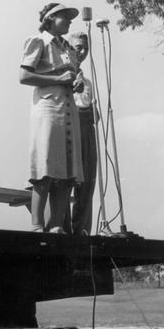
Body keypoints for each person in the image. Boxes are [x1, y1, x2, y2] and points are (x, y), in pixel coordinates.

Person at [20, 3, 84, 233]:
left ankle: (56, 224)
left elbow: (73, 76)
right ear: (50, 19)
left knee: (68, 171)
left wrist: (78, 82)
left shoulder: (68, 47)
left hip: (68, 110)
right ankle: (37, 225)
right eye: (64, 17)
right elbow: (24, 75)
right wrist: (58, 79)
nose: (69, 21)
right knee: (44, 168)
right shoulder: (38, 41)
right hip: (48, 108)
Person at [67, 32, 97, 236]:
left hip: (86, 126)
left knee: (87, 180)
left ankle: (81, 229)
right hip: (68, 124)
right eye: (78, 47)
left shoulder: (87, 81)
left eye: (85, 48)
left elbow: (91, 108)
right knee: (66, 178)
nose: (82, 51)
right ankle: (62, 227)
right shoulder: (60, 72)